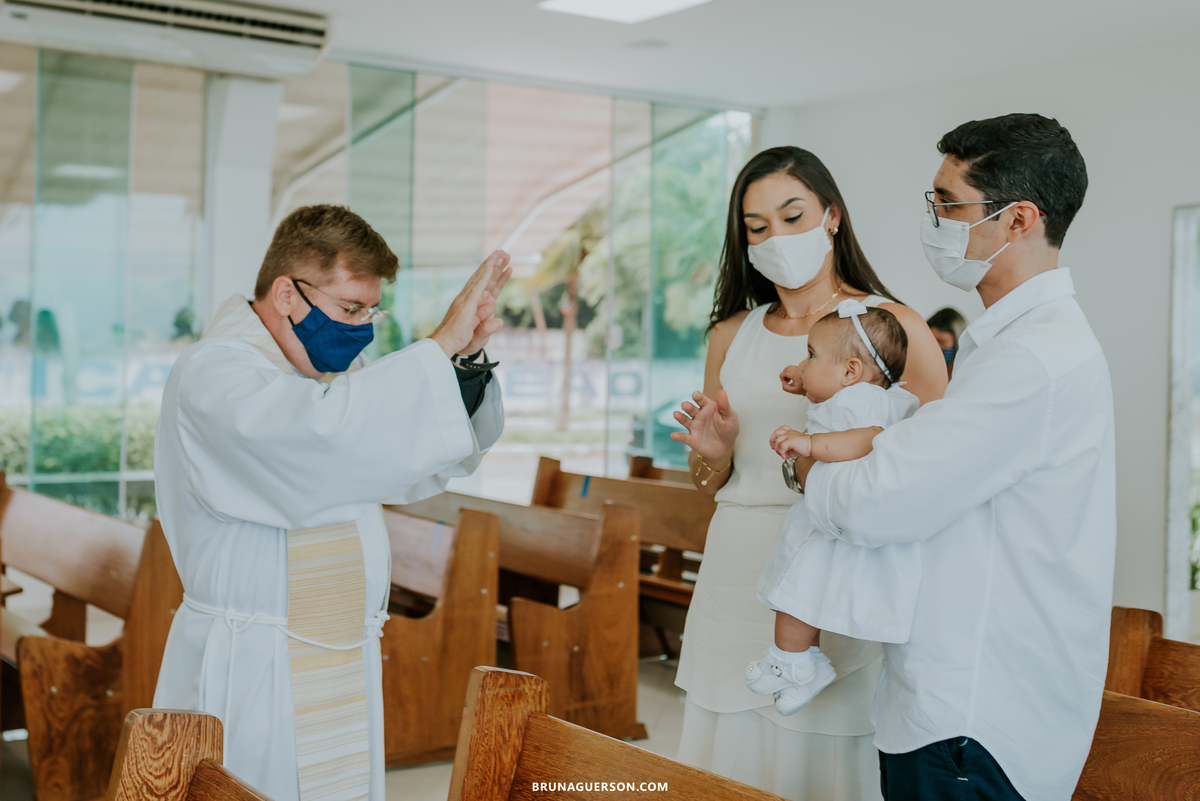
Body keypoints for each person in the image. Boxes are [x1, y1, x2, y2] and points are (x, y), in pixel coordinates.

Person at [792, 114, 1114, 801]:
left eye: (949, 203)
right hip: (954, 704)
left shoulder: (1033, 356)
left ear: (1019, 219)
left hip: (976, 718)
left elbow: (884, 500)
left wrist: (809, 468)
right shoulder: (1003, 343)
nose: (933, 218)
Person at [153, 205, 511, 801]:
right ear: (287, 294)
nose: (362, 328)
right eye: (349, 309)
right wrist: (437, 344)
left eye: (372, 310)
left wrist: (464, 359)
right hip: (254, 664)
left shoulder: (327, 376)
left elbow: (399, 463)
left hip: (340, 653)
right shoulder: (215, 371)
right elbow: (322, 444)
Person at [668, 146, 947, 801]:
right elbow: (708, 482)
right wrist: (716, 447)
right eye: (756, 226)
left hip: (836, 565)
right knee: (725, 756)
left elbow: (940, 463)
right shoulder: (730, 333)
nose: (775, 237)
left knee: (825, 754)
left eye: (792, 216)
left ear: (831, 217)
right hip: (735, 564)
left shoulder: (892, 327)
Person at [747, 302, 919, 716]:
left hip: (832, 521)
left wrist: (809, 445)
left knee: (794, 587)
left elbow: (867, 439)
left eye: (811, 355)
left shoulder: (863, 403)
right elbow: (831, 408)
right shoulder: (858, 395)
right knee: (795, 590)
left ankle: (795, 662)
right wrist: (802, 379)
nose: (804, 363)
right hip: (826, 515)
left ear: (850, 373)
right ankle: (798, 661)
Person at [926, 307, 966, 378]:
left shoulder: (969, 375)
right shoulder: (925, 375)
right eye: (931, 340)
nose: (935, 347)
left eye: (941, 341)